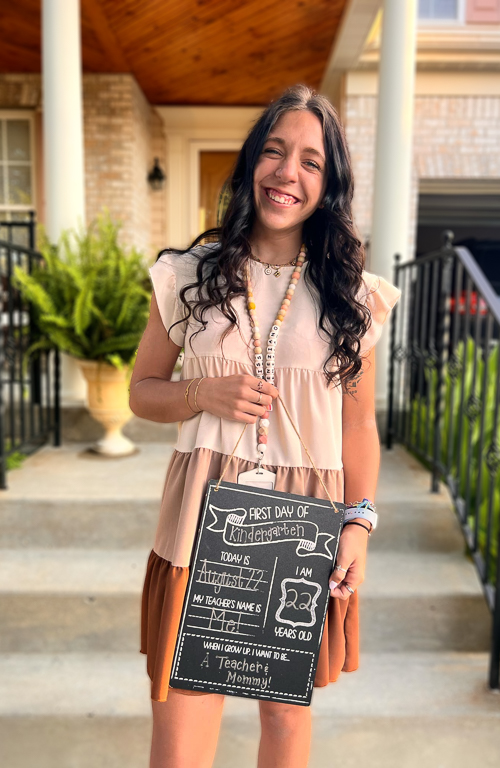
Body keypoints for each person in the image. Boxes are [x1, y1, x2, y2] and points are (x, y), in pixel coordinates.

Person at [130, 84, 401, 768]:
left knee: (284, 720)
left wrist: (358, 523)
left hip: (304, 522)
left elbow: (358, 426)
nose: (289, 172)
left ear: (329, 183)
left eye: (311, 160)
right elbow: (141, 393)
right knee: (182, 726)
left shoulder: (351, 297)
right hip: (203, 514)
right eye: (275, 151)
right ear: (251, 163)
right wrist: (200, 392)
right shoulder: (188, 276)